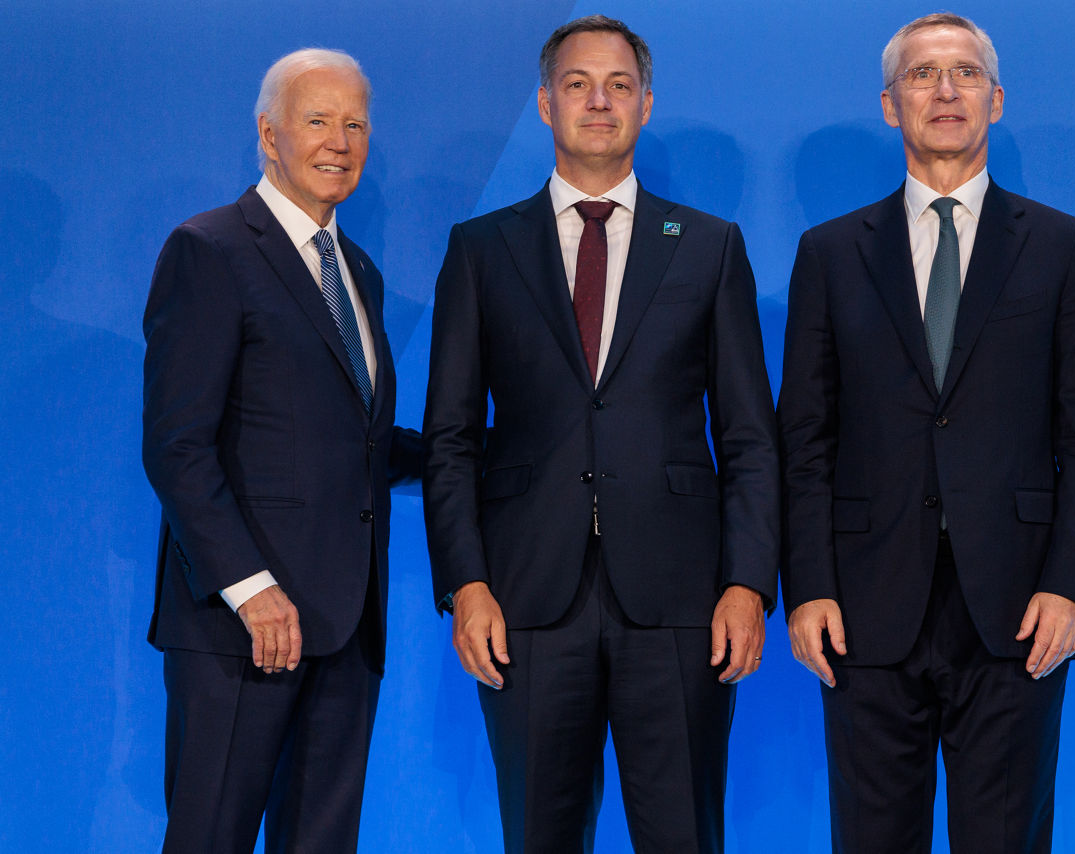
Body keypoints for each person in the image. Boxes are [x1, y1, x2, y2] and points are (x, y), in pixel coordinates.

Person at [423, 15, 778, 854]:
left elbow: (751, 438)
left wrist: (747, 584)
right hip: (525, 600)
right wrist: (466, 585)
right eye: (578, 84)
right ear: (545, 104)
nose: (599, 101)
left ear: (646, 105)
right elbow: (449, 439)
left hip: (682, 601)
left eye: (619, 85)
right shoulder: (480, 250)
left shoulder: (707, 247)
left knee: (685, 836)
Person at [778, 13, 1075, 853]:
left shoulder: (1063, 248)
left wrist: (1070, 587)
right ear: (891, 105)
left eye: (965, 73)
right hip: (862, 610)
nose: (945, 89)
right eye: (923, 74)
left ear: (995, 101)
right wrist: (809, 586)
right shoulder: (828, 253)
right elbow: (805, 438)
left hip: (1017, 610)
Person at [141, 48, 422, 853]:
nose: (340, 140)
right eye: (318, 120)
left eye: (356, 123)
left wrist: (477, 453)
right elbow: (176, 444)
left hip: (345, 625)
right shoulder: (211, 249)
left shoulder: (357, 271)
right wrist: (250, 588)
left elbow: (352, 438)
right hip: (239, 630)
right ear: (269, 135)